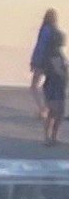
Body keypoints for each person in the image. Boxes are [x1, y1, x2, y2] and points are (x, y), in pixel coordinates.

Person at [34, 9, 67, 145]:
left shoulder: (58, 54)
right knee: (55, 110)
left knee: (57, 111)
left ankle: (51, 137)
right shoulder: (52, 52)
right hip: (54, 81)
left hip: (57, 81)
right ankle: (49, 137)